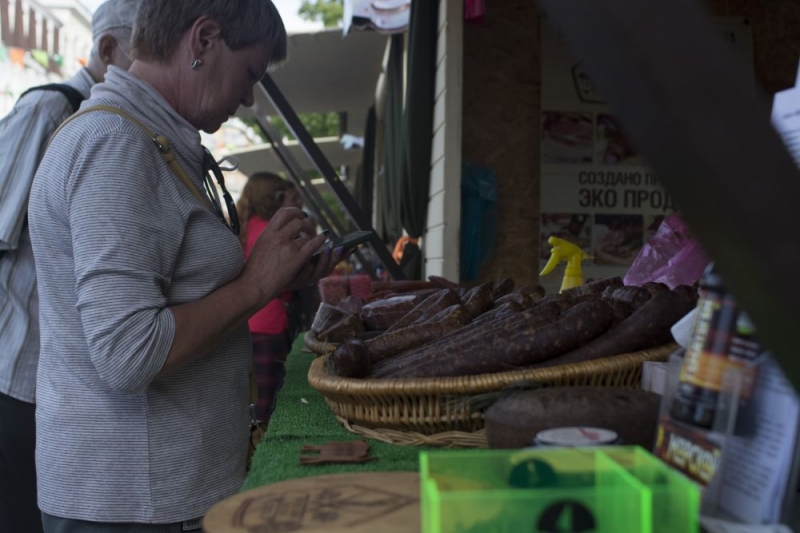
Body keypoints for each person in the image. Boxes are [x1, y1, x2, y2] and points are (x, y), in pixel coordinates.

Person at [27, 1, 344, 530]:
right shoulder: (116, 145)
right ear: (203, 40)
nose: (247, 96)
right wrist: (257, 283)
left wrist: (279, 274)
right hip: (131, 502)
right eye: (250, 74)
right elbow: (130, 353)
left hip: (148, 495)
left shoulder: (144, 138)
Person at [0, 1, 139, 531]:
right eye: (146, 49)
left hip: (54, 389)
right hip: (18, 379)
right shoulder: (52, 110)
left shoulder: (114, 125)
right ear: (107, 50)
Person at [236, 172, 294, 424]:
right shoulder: (268, 232)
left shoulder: (244, 227)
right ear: (274, 197)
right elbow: (285, 280)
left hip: (244, 321)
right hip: (269, 324)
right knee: (266, 402)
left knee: (250, 398)